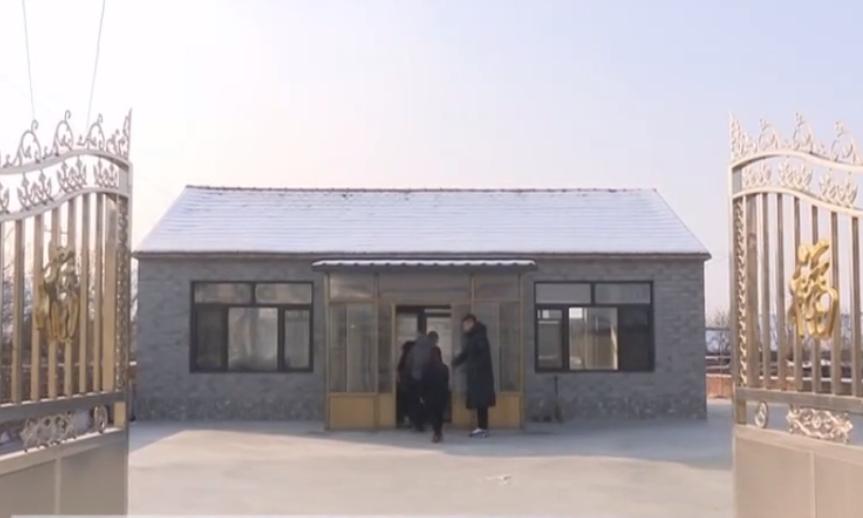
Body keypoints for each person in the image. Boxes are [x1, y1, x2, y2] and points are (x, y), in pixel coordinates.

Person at [453, 314, 495, 438]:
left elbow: (482, 357)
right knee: (480, 402)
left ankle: (483, 428)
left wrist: (474, 368)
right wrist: (455, 362)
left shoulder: (479, 337)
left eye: (465, 325)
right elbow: (466, 354)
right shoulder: (473, 337)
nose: (464, 328)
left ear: (471, 323)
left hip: (481, 376)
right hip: (477, 375)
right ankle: (481, 427)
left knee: (482, 402)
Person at [405, 331, 438, 431]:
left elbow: (408, 363)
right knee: (425, 401)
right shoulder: (431, 349)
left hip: (415, 378)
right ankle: (423, 422)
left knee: (414, 401)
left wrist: (410, 374)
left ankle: (415, 422)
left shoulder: (414, 348)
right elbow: (434, 363)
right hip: (427, 379)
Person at [422, 344, 450, 443]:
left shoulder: (426, 367)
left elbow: (423, 382)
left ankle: (436, 432)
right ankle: (438, 432)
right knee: (439, 414)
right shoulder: (444, 368)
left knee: (432, 414)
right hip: (442, 394)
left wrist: (422, 394)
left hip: (430, 395)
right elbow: (446, 380)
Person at [395, 340, 415, 428]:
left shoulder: (403, 361)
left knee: (404, 403)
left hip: (404, 386)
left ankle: (405, 419)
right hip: (410, 385)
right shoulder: (412, 360)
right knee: (411, 403)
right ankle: (411, 419)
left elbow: (398, 373)